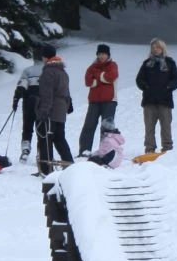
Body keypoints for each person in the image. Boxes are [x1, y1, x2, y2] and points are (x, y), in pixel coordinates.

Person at [134, 38, 177, 154]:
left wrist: (169, 87)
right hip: (149, 101)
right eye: (153, 48)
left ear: (163, 48)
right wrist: (145, 86)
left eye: (158, 47)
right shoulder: (146, 64)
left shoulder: (170, 63)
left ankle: (167, 148)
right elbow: (139, 79)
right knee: (149, 128)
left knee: (166, 126)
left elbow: (176, 79)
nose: (155, 50)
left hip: (165, 100)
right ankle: (149, 149)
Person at [35, 44, 75, 174]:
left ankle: (46, 169)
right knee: (59, 138)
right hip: (61, 110)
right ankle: (70, 165)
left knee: (45, 138)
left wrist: (44, 111)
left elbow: (47, 94)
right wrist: (68, 105)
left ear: (45, 57)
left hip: (51, 110)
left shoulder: (48, 71)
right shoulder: (62, 71)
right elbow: (66, 91)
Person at [78, 44, 118, 156]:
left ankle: (105, 152)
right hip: (94, 101)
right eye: (99, 54)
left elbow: (112, 76)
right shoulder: (92, 67)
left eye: (104, 54)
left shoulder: (112, 65)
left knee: (106, 127)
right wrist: (103, 78)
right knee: (89, 126)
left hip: (110, 100)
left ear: (108, 55)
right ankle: (84, 151)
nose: (101, 56)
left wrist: (97, 77)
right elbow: (88, 81)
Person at [12, 56, 44, 162]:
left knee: (27, 127)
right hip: (43, 102)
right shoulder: (48, 70)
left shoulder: (27, 71)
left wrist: (16, 99)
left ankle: (25, 150)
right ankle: (41, 152)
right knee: (41, 128)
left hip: (28, 102)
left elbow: (22, 85)